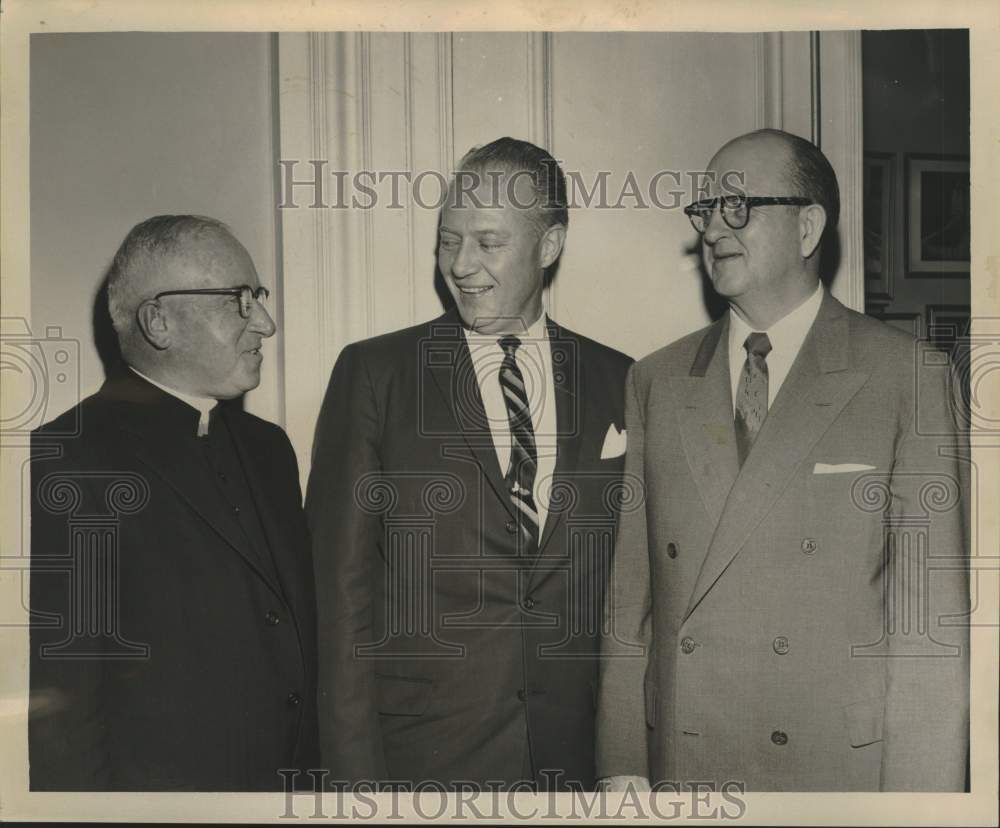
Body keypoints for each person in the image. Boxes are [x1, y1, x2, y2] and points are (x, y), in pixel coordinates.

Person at [596, 129, 969, 792]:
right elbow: (630, 608)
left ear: (807, 226)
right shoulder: (657, 379)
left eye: (737, 207)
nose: (713, 229)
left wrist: (922, 805)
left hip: (836, 770)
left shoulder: (905, 375)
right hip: (688, 767)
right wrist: (622, 765)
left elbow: (928, 637)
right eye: (705, 210)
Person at [306, 137, 633, 790]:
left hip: (575, 763)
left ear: (549, 245)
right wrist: (355, 786)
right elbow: (338, 599)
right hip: (424, 759)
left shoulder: (621, 380)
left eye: (488, 242)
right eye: (448, 240)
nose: (461, 264)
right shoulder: (377, 375)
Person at [29, 215, 319, 791]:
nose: (266, 321)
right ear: (158, 321)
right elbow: (65, 709)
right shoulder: (66, 459)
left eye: (258, 296)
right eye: (238, 299)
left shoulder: (270, 449)